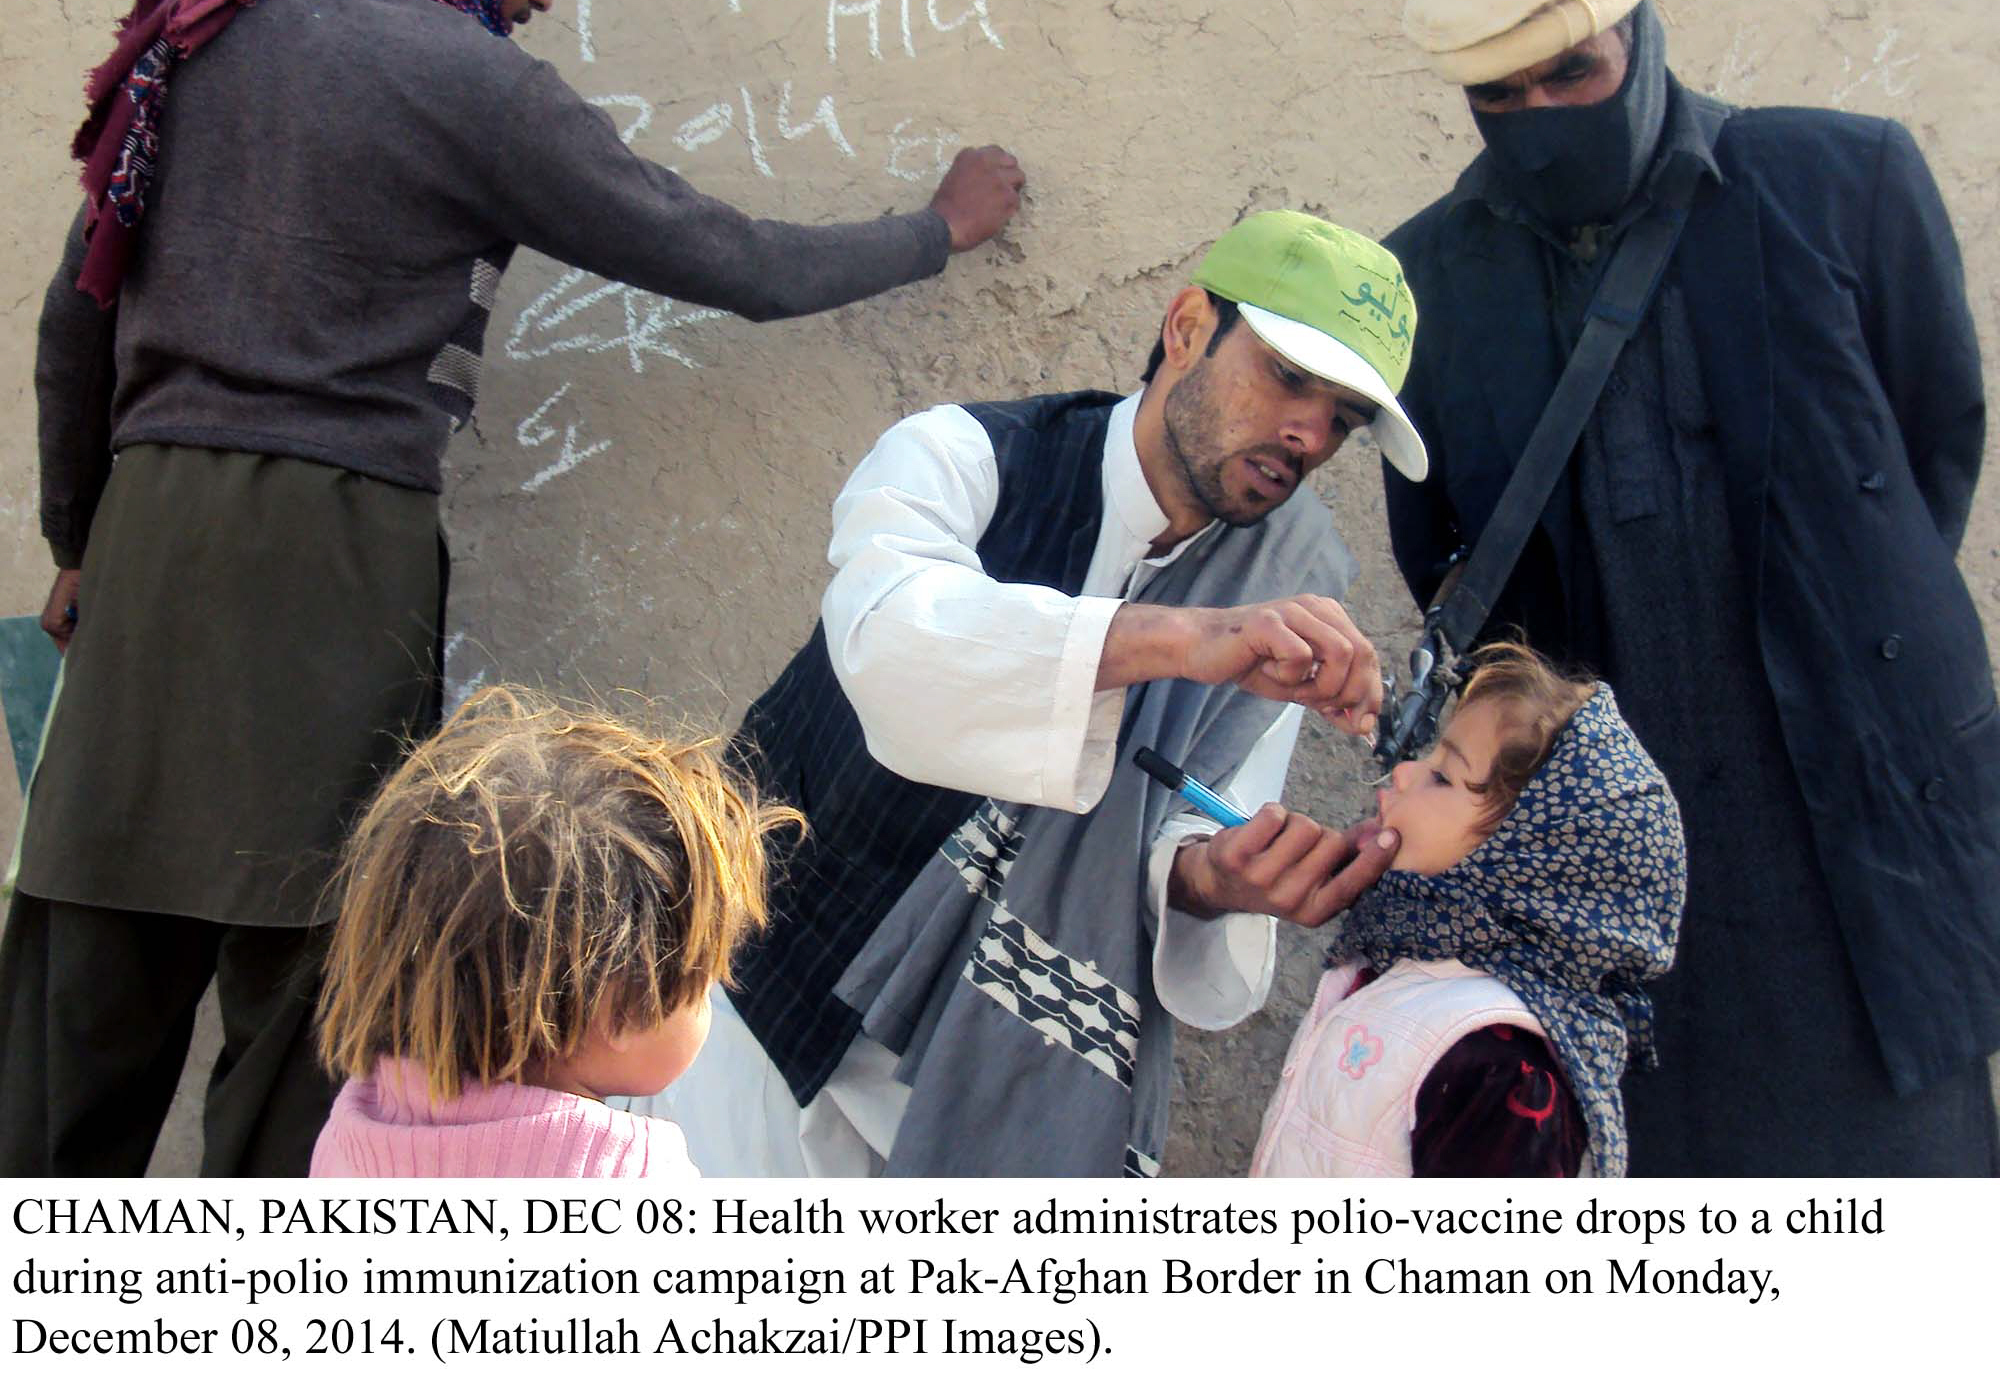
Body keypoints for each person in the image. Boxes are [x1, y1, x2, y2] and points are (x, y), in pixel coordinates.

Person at [0, 0, 1024, 1177]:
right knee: (316, 974)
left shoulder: (209, 32)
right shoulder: (469, 80)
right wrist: (936, 231)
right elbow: (724, 257)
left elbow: (79, 314)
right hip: (329, 558)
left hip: (145, 544)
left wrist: (82, 536)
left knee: (77, 988)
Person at [1379, 0, 1998, 1173]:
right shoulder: (1430, 281)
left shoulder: (1840, 183)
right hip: (1600, 882)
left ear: (1639, 32)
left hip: (1843, 842)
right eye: (1502, 97)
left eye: (1572, 74)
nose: (1541, 119)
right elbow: (1435, 546)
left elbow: (1933, 440)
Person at [627, 210, 1427, 1176]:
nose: (1306, 432)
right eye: (1288, 377)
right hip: (758, 980)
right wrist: (1181, 639)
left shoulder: (1282, 580)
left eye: (1341, 418)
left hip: (973, 1076)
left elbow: (1186, 820)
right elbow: (890, 653)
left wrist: (1219, 881)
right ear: (1185, 329)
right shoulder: (961, 455)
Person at [309, 686, 788, 1177]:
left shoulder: (366, 1114)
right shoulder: (634, 1178)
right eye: (702, 984)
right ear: (622, 1010)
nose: (718, 989)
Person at [1251, 642, 1684, 1178]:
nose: (1405, 772)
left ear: (1525, 861)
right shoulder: (1404, 966)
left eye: (1442, 776)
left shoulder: (1503, 1064)